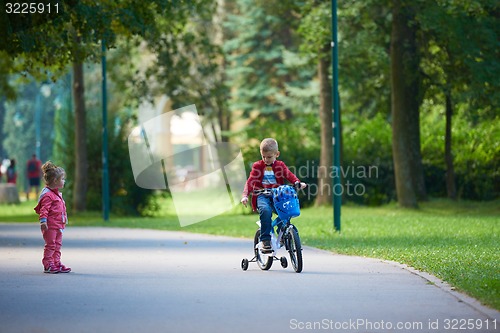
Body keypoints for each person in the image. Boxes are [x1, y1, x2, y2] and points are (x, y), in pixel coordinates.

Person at [241, 138, 306, 253]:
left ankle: (283, 232)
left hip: (277, 195)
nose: (266, 160)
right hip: (261, 195)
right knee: (265, 210)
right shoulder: (257, 166)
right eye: (263, 157)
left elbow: (288, 174)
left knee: (285, 210)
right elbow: (250, 181)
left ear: (277, 154)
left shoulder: (280, 165)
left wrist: (297, 183)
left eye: (269, 157)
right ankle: (265, 240)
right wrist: (245, 195)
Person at [34, 161, 71, 274]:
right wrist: (43, 221)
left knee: (57, 245)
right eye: (62, 179)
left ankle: (56, 262)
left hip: (58, 225)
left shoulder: (56, 193)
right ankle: (48, 264)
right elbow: (44, 209)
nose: (64, 181)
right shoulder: (48, 195)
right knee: (51, 245)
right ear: (55, 181)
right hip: (50, 226)